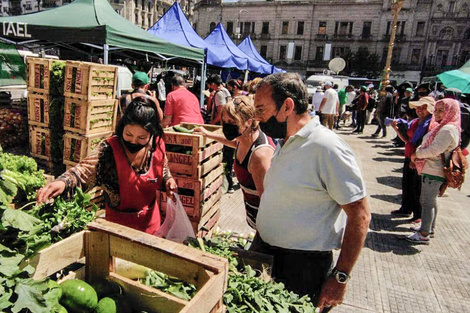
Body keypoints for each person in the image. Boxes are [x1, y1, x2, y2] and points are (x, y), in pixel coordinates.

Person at [252, 73, 371, 311]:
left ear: (287, 106)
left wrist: (340, 277)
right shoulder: (285, 140)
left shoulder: (327, 147)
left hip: (302, 268)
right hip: (266, 253)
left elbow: (360, 215)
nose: (257, 118)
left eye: (261, 109)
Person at [37, 98, 178, 234]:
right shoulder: (109, 151)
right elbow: (83, 172)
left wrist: (168, 180)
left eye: (141, 137)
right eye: (128, 134)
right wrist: (63, 182)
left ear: (151, 134)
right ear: (122, 127)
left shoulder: (157, 145)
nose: (133, 141)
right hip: (116, 232)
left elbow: (163, 168)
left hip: (151, 228)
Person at [194, 96, 275, 228]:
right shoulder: (244, 138)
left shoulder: (260, 156)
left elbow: (268, 202)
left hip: (266, 224)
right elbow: (233, 143)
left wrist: (262, 235)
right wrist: (208, 134)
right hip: (254, 216)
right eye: (224, 121)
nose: (227, 125)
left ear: (249, 122)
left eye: (231, 121)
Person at [408, 99, 461, 244]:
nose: (436, 113)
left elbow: (434, 150)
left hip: (434, 170)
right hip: (432, 169)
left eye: (441, 110)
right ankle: (428, 228)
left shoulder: (448, 129)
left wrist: (416, 155)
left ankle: (424, 234)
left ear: (450, 111)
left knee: (426, 202)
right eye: (436, 110)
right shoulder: (444, 127)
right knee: (430, 201)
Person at [390, 96, 435, 223]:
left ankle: (418, 214)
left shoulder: (430, 124)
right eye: (418, 108)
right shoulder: (416, 122)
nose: (419, 110)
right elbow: (408, 141)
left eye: (423, 108)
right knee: (407, 184)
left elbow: (424, 144)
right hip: (409, 156)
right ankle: (405, 208)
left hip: (419, 158)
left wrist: (415, 159)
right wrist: (396, 129)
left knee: (417, 187)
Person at [207, 74, 235, 193]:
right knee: (228, 157)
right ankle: (229, 184)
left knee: (223, 157)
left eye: (209, 85)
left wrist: (211, 124)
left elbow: (220, 113)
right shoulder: (227, 92)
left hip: (222, 128)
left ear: (213, 84)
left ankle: (226, 185)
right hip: (229, 128)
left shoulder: (219, 94)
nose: (209, 87)